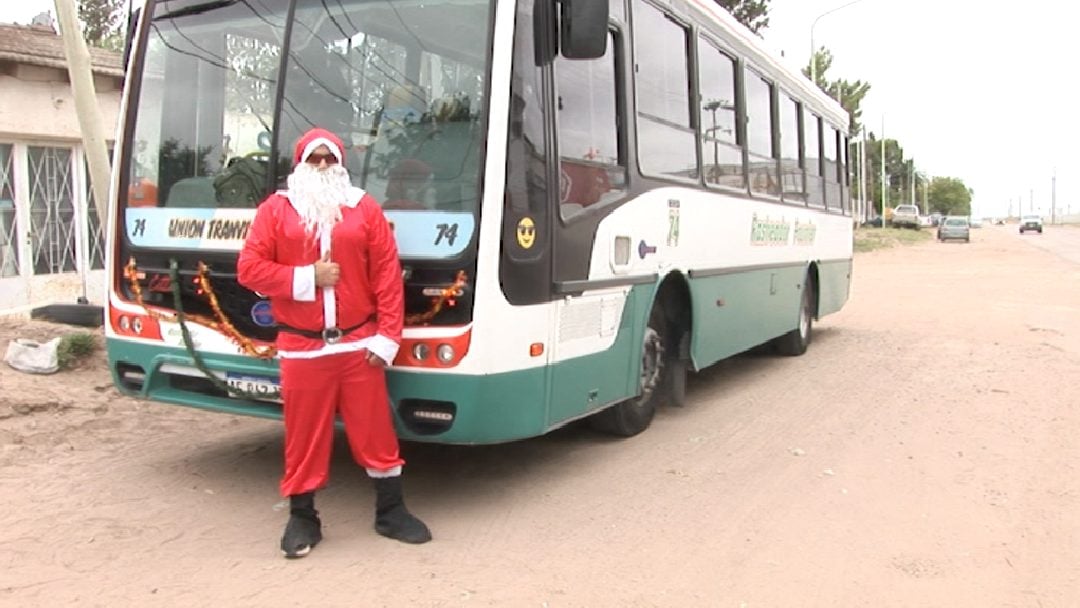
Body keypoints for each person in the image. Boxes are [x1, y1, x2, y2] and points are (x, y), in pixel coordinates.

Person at [237, 127, 431, 558]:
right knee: (304, 436)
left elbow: (386, 275)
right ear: (300, 164)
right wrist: (307, 279)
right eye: (314, 159)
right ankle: (303, 518)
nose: (322, 166)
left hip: (358, 343)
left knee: (374, 431)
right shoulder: (277, 210)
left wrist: (387, 337)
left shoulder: (363, 209)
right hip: (302, 348)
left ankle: (391, 510)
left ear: (341, 164)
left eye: (330, 159)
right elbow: (249, 268)